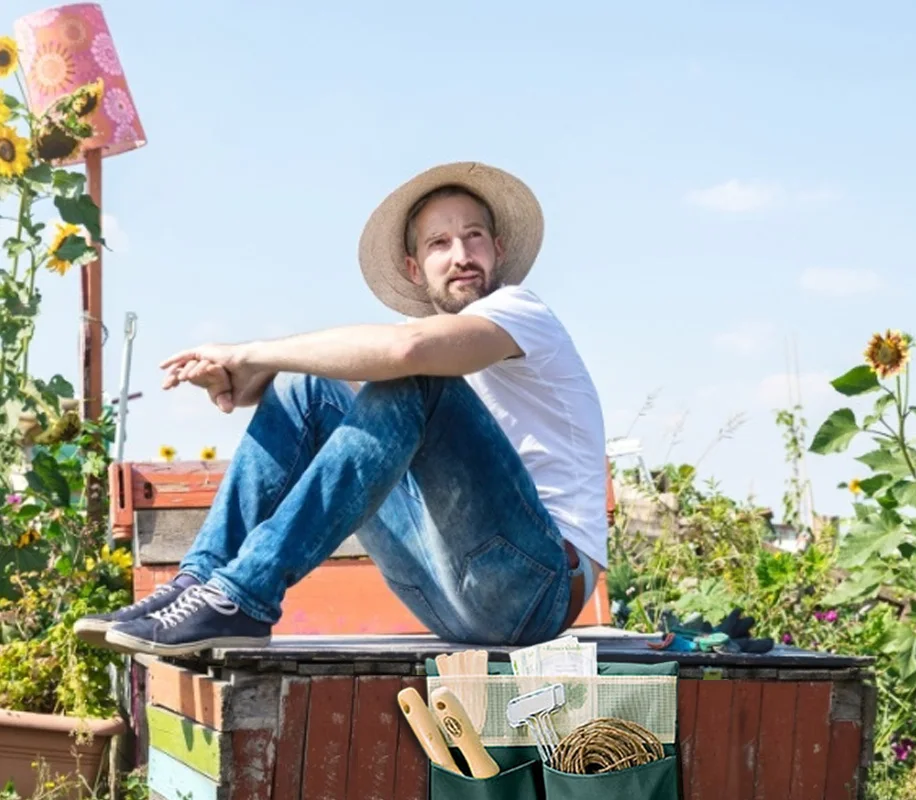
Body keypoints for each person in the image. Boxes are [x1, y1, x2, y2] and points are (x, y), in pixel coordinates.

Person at [75, 162, 608, 656]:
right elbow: (329, 388)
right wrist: (247, 376)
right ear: (415, 268)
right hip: (444, 589)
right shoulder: (422, 343)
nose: (461, 254)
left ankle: (245, 594)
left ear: (498, 246)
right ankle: (201, 583)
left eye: (473, 236)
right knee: (311, 382)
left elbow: (407, 354)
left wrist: (248, 354)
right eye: (439, 243)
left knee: (409, 376)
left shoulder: (519, 311)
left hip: (536, 588)